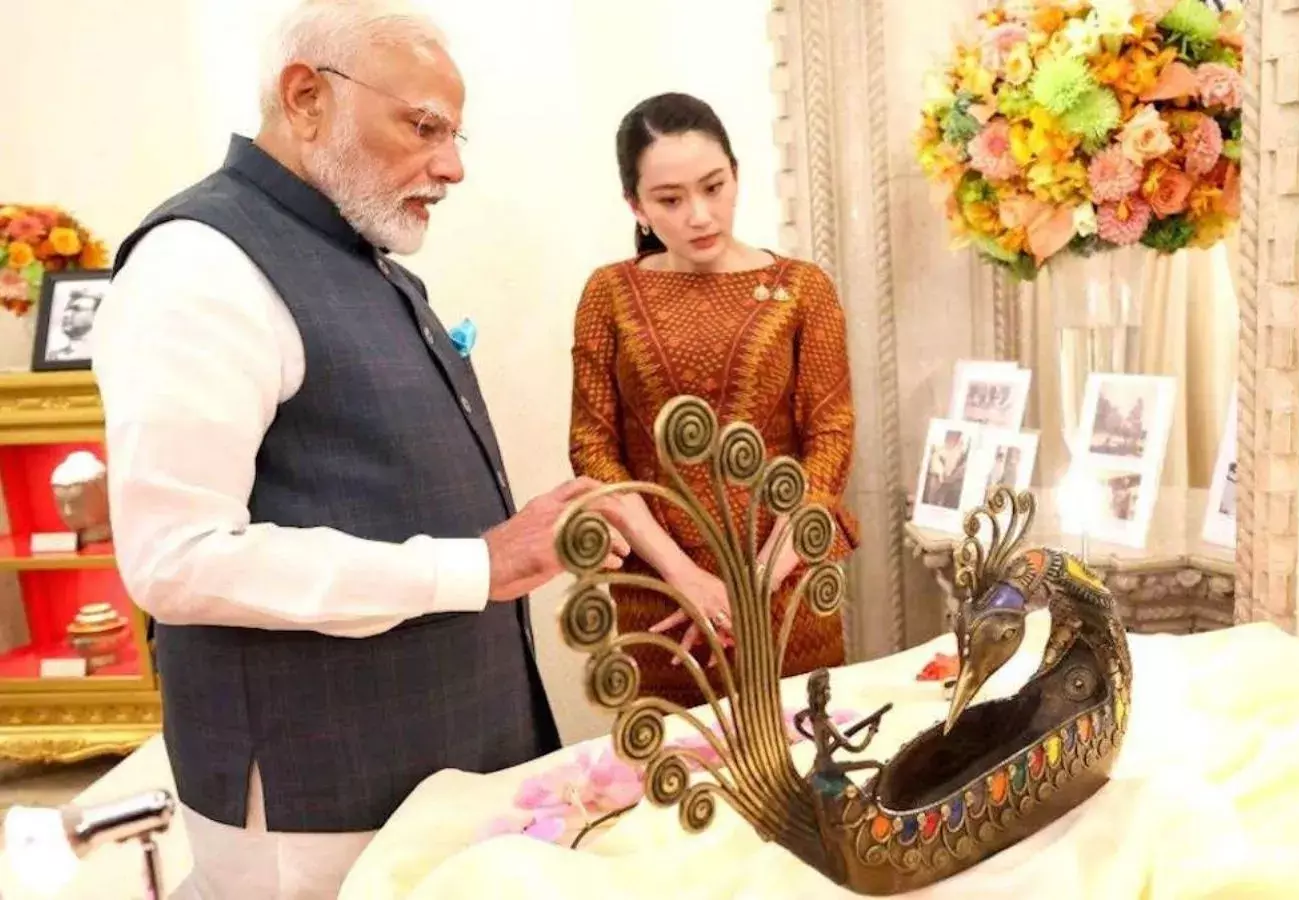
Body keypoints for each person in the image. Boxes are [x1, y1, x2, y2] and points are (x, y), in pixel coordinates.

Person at [93, 2, 626, 897]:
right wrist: (473, 565)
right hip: (319, 802)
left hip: (420, 773)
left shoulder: (356, 254)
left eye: (455, 133)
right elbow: (175, 560)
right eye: (424, 127)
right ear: (306, 98)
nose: (452, 166)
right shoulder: (200, 264)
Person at [568, 92, 859, 710]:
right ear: (636, 206)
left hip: (784, 578)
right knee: (679, 777)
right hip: (660, 589)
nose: (699, 215)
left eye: (714, 186)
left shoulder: (803, 288)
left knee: (806, 759)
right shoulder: (609, 294)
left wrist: (758, 582)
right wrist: (682, 575)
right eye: (671, 200)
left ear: (735, 174)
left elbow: (830, 438)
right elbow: (593, 449)